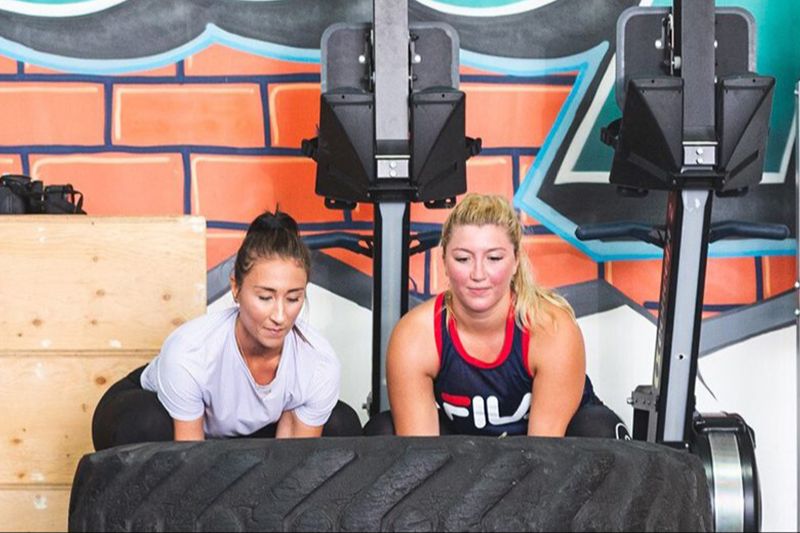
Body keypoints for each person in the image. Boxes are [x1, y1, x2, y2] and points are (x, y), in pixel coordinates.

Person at [92, 209, 361, 450]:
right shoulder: (191, 350)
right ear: (236, 287)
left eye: (293, 298)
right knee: (146, 423)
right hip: (155, 415)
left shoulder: (317, 362)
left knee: (340, 422)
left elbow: (292, 464)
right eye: (265, 297)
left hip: (245, 430)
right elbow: (188, 464)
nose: (280, 316)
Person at [366, 193, 628, 439]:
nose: (478, 274)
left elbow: (544, 454)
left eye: (493, 258)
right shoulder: (416, 335)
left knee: (598, 428)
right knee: (383, 431)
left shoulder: (550, 328)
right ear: (444, 260)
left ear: (515, 261)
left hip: (552, 456)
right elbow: (418, 455)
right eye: (463, 259)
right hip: (466, 452)